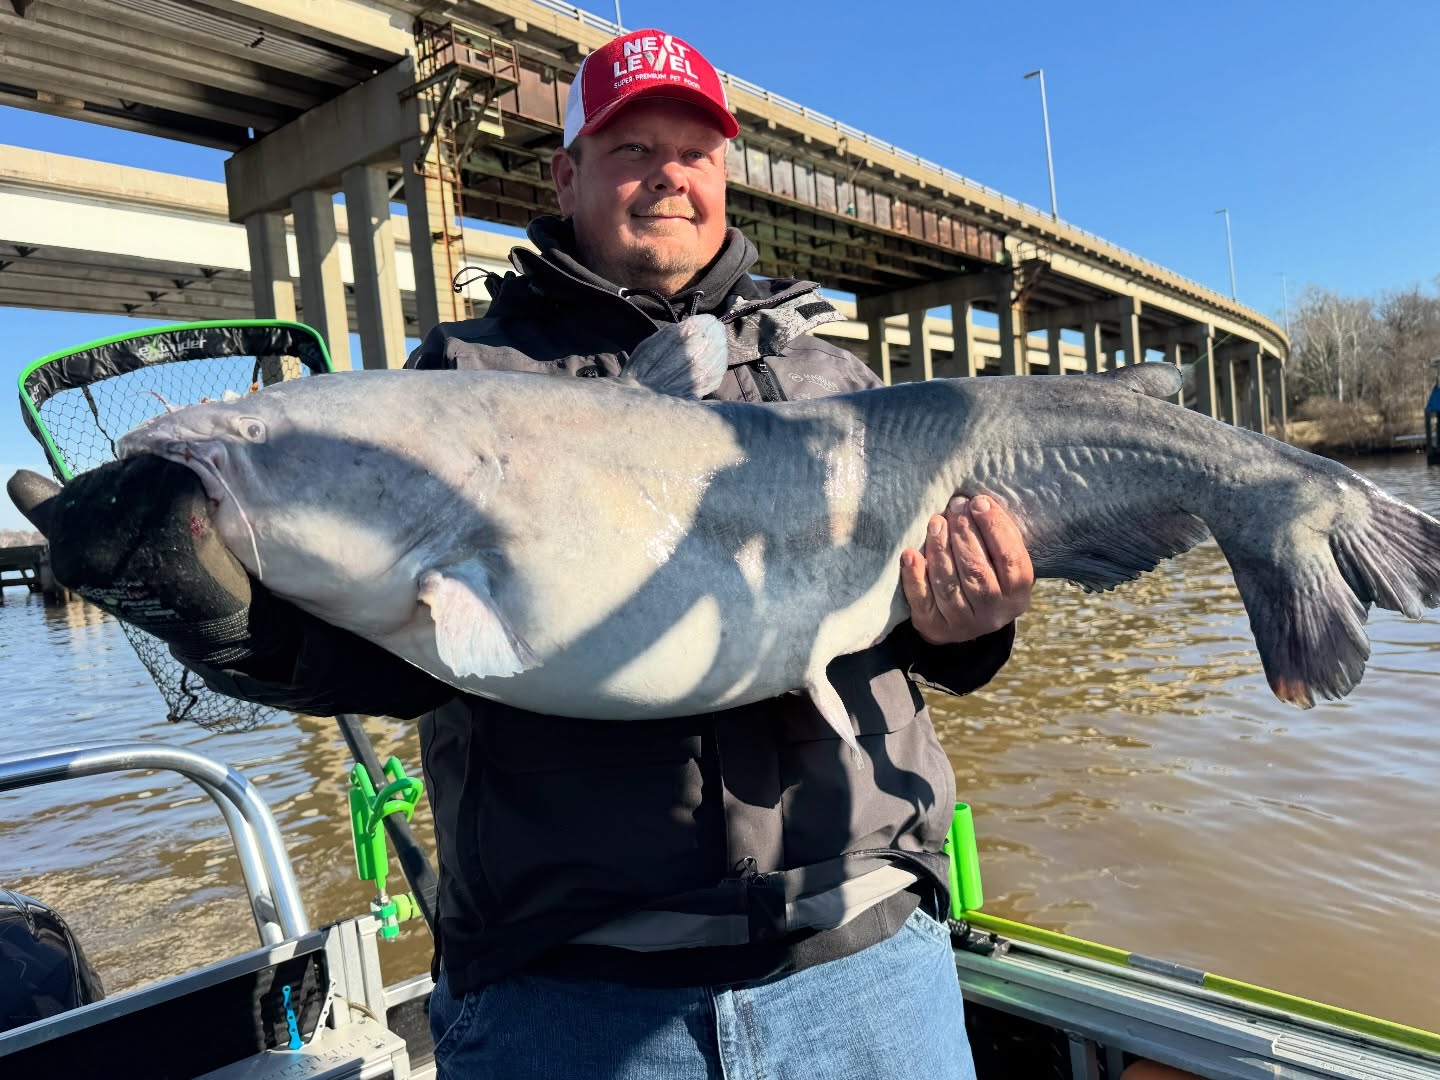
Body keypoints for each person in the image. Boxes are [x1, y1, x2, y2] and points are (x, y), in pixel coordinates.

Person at [20, 28, 1034, 1080]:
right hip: (566, 990)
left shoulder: (836, 380)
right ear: (568, 172)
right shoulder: (462, 373)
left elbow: (929, 641)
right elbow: (389, 659)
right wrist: (235, 620)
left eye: (693, 152)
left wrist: (976, 625)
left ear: (723, 173)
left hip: (858, 956)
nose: (669, 177)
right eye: (632, 149)